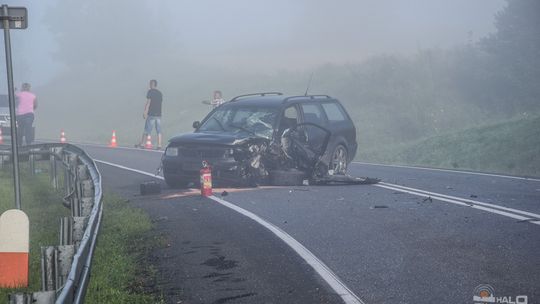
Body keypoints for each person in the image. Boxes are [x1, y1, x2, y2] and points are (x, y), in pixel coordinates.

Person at [137, 79, 163, 149]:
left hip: (151, 114)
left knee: (147, 129)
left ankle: (142, 144)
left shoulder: (150, 92)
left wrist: (145, 112)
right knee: (159, 130)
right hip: (159, 114)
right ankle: (159, 145)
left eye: (150, 84)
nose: (149, 85)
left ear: (152, 84)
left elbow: (148, 102)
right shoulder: (160, 93)